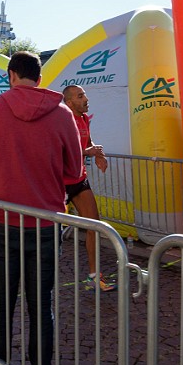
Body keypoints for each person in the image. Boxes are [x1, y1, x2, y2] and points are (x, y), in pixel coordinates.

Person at [0, 51, 83, 365]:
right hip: (45, 222)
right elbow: (75, 169)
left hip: (1, 220)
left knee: (2, 301)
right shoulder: (62, 112)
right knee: (41, 304)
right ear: (39, 75)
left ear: (11, 74)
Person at [62, 85, 115, 291]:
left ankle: (94, 276)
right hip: (60, 181)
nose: (86, 99)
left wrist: (98, 154)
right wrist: (88, 152)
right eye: (80, 96)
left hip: (79, 180)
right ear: (69, 103)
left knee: (94, 224)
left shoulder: (84, 119)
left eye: (85, 95)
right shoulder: (65, 121)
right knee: (45, 230)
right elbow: (65, 151)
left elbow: (88, 142)